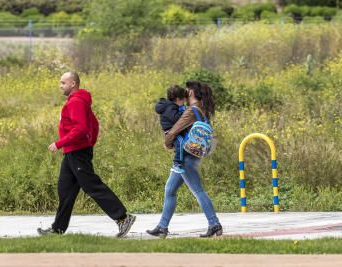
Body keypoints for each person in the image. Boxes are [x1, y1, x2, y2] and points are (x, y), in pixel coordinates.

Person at [38, 71, 136, 237]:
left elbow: (82, 128)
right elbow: (94, 124)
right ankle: (58, 228)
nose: (60, 86)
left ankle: (123, 218)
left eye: (63, 83)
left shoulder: (76, 102)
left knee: (92, 185)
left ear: (73, 84)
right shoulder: (77, 102)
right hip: (72, 153)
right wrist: (89, 143)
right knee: (65, 189)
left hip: (77, 152)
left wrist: (60, 143)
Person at [146, 80, 222, 238]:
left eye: (187, 92)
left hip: (186, 158)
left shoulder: (190, 111)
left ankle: (214, 224)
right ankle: (162, 227)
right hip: (191, 155)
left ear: (191, 94)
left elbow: (174, 131)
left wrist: (167, 142)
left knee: (198, 190)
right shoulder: (200, 110)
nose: (185, 95)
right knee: (170, 190)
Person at [154, 85, 188, 173]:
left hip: (173, 130)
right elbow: (176, 119)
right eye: (183, 100)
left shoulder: (171, 106)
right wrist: (183, 112)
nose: (184, 102)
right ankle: (176, 164)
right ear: (177, 99)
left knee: (182, 142)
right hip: (170, 131)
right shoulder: (170, 107)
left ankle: (180, 159)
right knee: (180, 142)